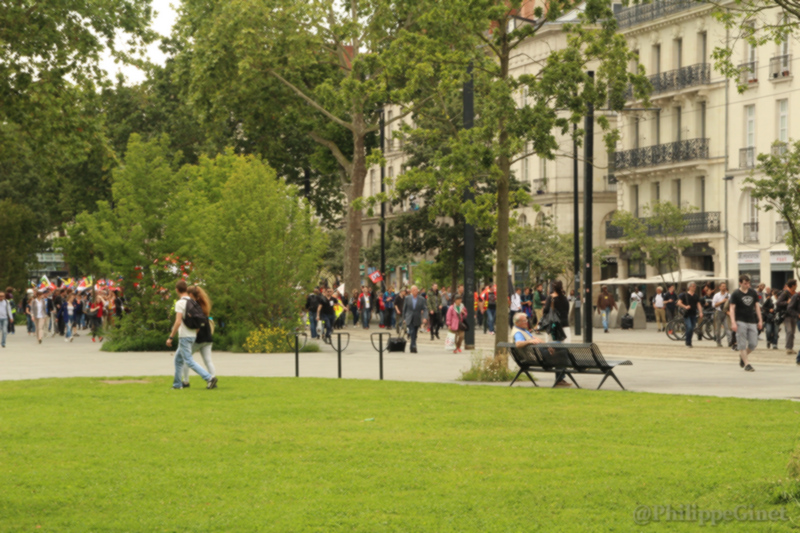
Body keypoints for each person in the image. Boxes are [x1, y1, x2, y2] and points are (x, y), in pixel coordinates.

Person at [166, 280, 217, 390]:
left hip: (184, 336)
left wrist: (171, 337)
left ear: (177, 290)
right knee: (178, 360)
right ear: (186, 289)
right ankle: (177, 385)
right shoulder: (193, 302)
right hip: (192, 335)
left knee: (188, 361)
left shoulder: (180, 303)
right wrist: (194, 334)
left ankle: (209, 378)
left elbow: (178, 322)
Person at [512, 312, 571, 387]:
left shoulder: (522, 330)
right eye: (524, 321)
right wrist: (529, 341)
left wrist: (547, 346)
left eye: (526, 320)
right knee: (561, 352)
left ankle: (560, 378)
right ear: (517, 323)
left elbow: (536, 338)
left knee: (559, 346)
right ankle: (561, 377)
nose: (526, 322)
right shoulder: (518, 333)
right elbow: (518, 344)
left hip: (538, 353)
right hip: (537, 357)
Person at [180, 285, 217, 388]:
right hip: (208, 336)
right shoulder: (203, 305)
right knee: (208, 361)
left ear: (191, 295)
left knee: (186, 359)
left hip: (198, 338)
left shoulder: (192, 307)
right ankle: (213, 379)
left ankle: (186, 381)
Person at [729, 274, 762, 372]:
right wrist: (733, 322)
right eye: (745, 283)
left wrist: (760, 320)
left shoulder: (753, 292)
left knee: (753, 343)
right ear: (740, 283)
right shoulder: (736, 294)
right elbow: (732, 308)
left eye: (748, 283)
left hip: (752, 320)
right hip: (740, 321)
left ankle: (743, 356)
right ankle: (747, 364)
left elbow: (757, 307)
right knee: (742, 343)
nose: (747, 285)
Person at [676, 282, 703, 348]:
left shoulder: (696, 295)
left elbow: (698, 304)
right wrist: (685, 306)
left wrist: (700, 312)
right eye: (693, 286)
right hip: (687, 314)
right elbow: (678, 303)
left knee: (692, 328)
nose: (695, 287)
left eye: (695, 286)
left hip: (693, 314)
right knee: (689, 327)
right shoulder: (684, 295)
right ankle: (688, 342)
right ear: (689, 287)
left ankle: (689, 341)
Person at [402, 285, 429, 353]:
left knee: (415, 333)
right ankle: (414, 345)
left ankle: (412, 347)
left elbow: (425, 309)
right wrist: (404, 318)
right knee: (412, 331)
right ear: (411, 291)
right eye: (413, 290)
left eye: (416, 290)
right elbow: (404, 309)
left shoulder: (421, 299)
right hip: (409, 317)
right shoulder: (407, 298)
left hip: (417, 317)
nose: (415, 291)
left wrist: (425, 317)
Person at [776, 279, 797, 355]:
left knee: (793, 332)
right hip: (786, 315)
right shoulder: (785, 293)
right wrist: (787, 302)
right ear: (793, 285)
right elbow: (778, 302)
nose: (797, 286)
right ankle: (788, 348)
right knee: (789, 331)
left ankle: (790, 348)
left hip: (793, 315)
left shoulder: (795, 293)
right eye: (796, 284)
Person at [712, 282, 730, 347]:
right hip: (718, 312)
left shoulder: (729, 295)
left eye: (725, 286)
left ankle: (730, 342)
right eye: (723, 286)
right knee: (718, 329)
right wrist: (722, 301)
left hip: (726, 312)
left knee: (728, 328)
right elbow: (713, 305)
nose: (724, 287)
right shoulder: (716, 295)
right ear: (720, 287)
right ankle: (718, 342)